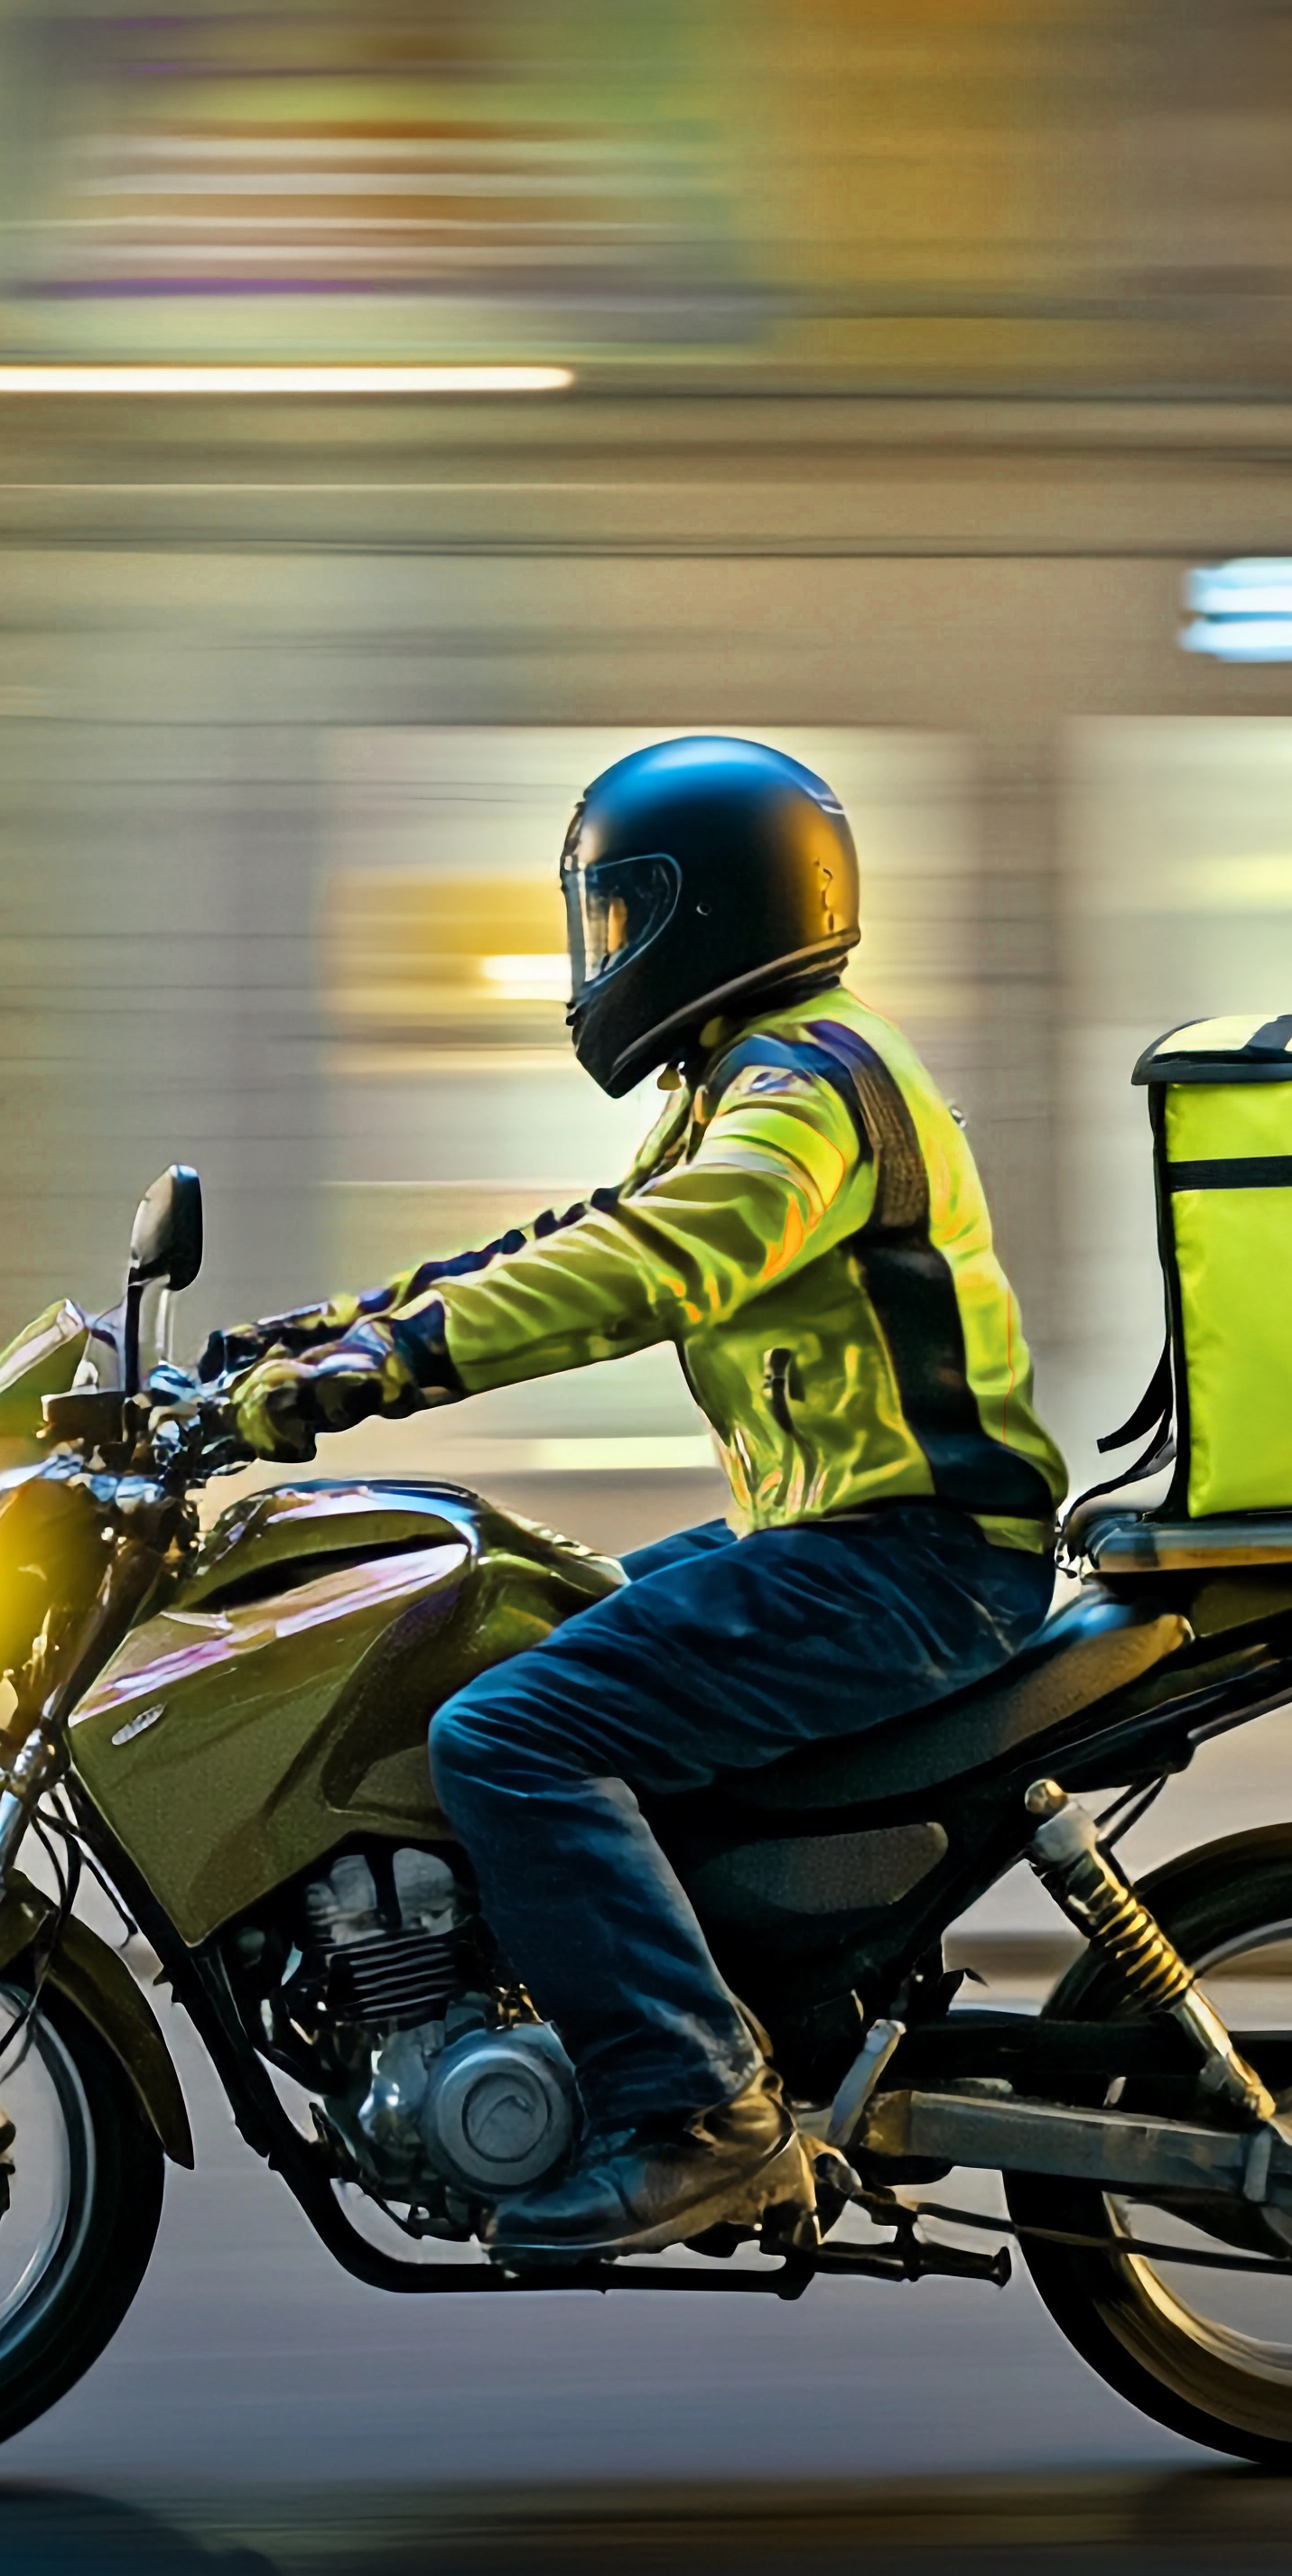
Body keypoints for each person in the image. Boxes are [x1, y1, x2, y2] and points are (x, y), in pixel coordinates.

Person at [224, 735, 1066, 2259]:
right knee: (522, 1621)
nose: (594, 956)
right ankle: (735, 2000)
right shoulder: (752, 1077)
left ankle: (699, 2114)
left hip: (909, 1562)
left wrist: (392, 1369)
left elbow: (663, 1256)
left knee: (510, 1734)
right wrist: (315, 1335)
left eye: (615, 919)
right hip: (840, 1539)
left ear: (711, 912)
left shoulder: (813, 1090)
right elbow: (572, 1231)